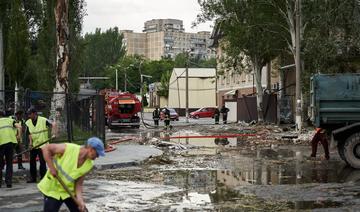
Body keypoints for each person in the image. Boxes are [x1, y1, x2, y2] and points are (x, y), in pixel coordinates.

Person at [38, 137, 105, 212]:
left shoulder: (89, 164)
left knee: (80, 210)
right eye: (97, 153)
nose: (98, 156)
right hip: (53, 190)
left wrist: (81, 201)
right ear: (90, 148)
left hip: (68, 191)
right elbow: (45, 148)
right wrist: (52, 167)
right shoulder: (68, 149)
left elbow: (79, 185)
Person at [26, 108, 56, 183]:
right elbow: (29, 133)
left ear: (34, 113)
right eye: (28, 114)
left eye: (30, 114)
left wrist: (53, 133)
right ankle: (33, 178)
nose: (29, 116)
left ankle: (43, 178)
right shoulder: (28, 122)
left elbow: (53, 124)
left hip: (43, 146)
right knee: (32, 162)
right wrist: (30, 143)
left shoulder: (43, 120)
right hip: (34, 145)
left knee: (42, 162)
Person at [0, 110, 21, 188]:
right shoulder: (10, 120)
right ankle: (9, 182)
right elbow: (19, 126)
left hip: (1, 144)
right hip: (10, 143)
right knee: (9, 163)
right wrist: (19, 136)